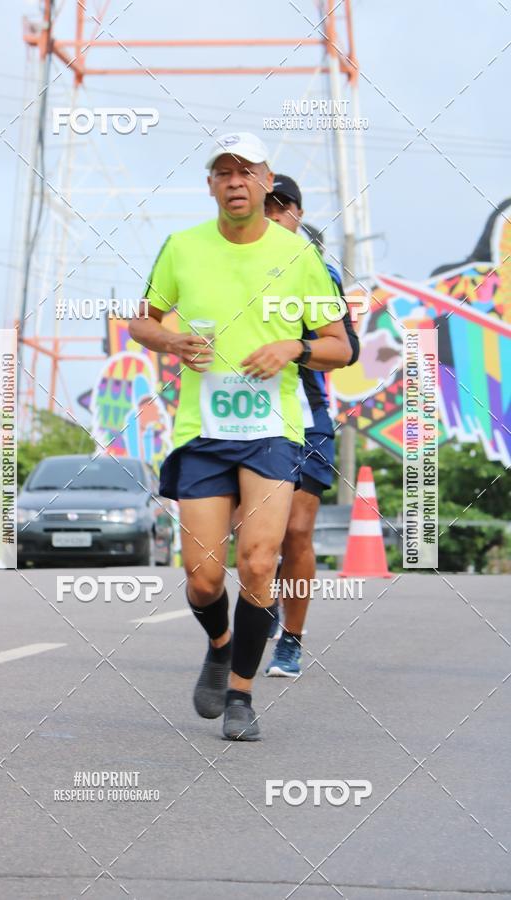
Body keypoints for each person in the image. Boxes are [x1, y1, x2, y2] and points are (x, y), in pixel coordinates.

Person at [129, 134, 351, 741]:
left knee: (258, 562)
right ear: (210, 186)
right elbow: (139, 323)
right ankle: (221, 643)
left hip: (272, 432)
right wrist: (171, 341)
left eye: (245, 172)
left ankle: (242, 695)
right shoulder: (181, 248)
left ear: (265, 181)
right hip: (202, 431)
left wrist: (293, 347)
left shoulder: (298, 256)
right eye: (222, 173)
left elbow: (340, 346)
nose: (234, 182)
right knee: (203, 578)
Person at [262, 174, 360, 676]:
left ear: (297, 213)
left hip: (306, 414)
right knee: (257, 536)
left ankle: (291, 641)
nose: (274, 215)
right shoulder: (236, 270)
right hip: (246, 417)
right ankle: (264, 610)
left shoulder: (319, 274)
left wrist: (295, 349)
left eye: (282, 207)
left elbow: (347, 351)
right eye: (265, 208)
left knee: (297, 531)